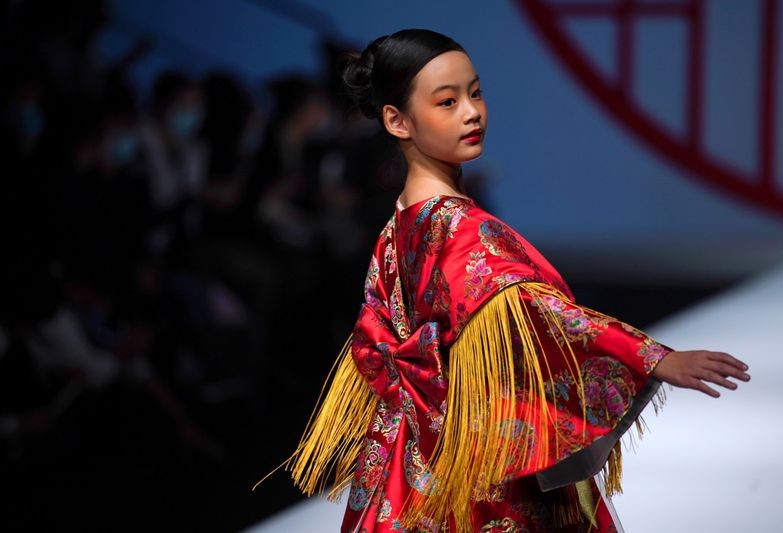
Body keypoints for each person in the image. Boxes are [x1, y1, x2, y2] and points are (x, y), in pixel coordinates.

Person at [256, 29, 750, 532]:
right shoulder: (461, 228)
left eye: (476, 92)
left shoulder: (398, 223)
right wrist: (654, 357)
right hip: (478, 459)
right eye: (447, 101)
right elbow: (536, 314)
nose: (472, 112)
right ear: (396, 121)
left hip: (410, 454)